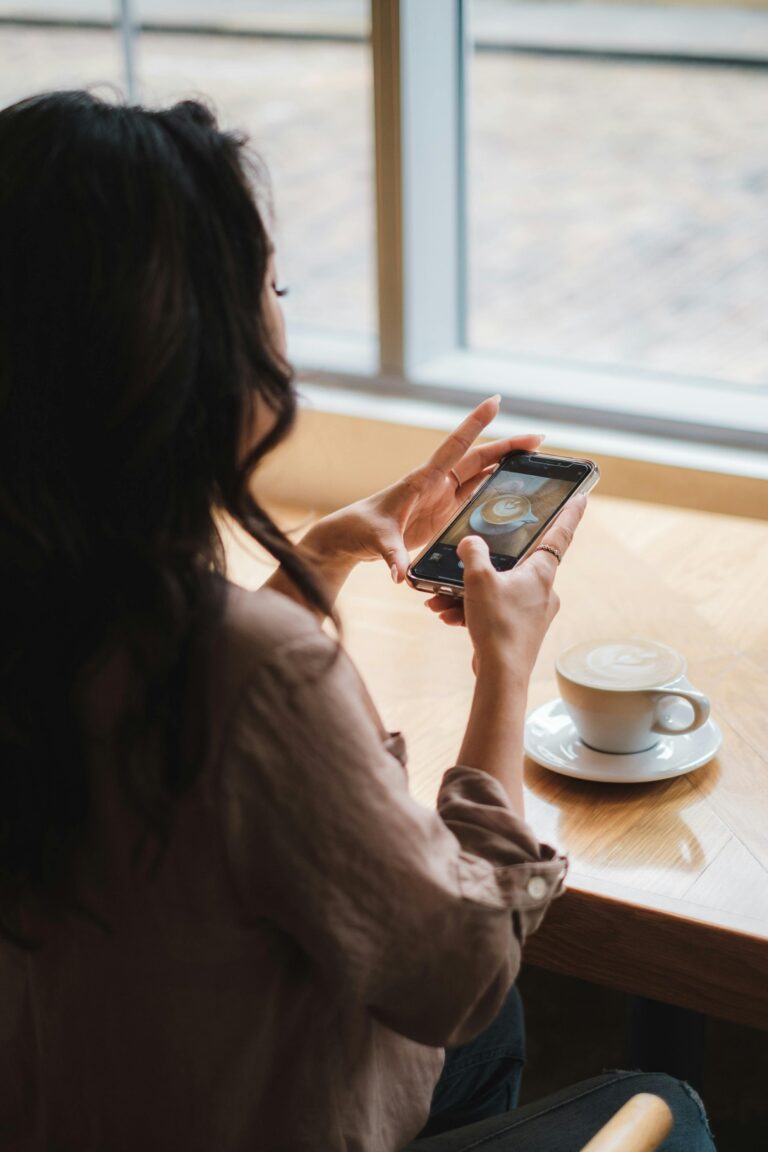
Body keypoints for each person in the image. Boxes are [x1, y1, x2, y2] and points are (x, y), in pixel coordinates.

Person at [0, 91, 715, 1152]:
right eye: (271, 287)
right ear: (187, 344)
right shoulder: (257, 675)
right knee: (667, 1100)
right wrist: (503, 665)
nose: (282, 320)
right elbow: (461, 967)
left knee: (497, 1027)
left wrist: (323, 549)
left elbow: (175, 735)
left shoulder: (56, 603)